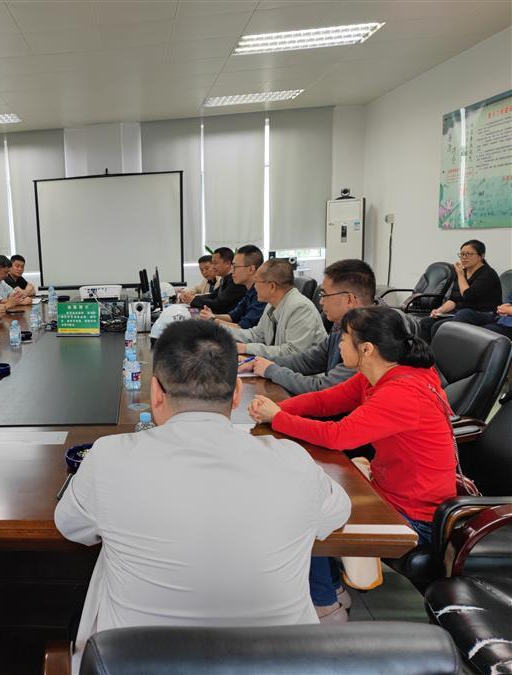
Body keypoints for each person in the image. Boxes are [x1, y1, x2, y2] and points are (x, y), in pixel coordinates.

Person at [56, 319, 350, 668]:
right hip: (279, 665)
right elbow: (337, 512)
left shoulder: (109, 458)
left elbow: (71, 526)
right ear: (237, 392)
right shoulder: (292, 461)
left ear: (155, 392)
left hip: (133, 664)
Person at [249, 305, 457, 620]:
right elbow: (325, 401)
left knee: (306, 512)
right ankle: (332, 589)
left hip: (415, 515)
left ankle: (326, 606)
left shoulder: (401, 392)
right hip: (391, 489)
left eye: (344, 339)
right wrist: (276, 410)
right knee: (311, 491)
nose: (340, 346)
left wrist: (277, 418)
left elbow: (338, 436)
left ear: (367, 349)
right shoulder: (381, 376)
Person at [242, 259, 376, 394]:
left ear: (349, 299)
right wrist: (260, 362)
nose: (321, 301)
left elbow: (325, 389)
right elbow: (308, 360)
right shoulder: (342, 326)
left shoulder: (371, 337)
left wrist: (271, 370)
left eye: (324, 295)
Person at [224, 259, 326, 358]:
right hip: (282, 366)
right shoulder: (272, 304)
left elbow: (292, 352)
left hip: (304, 369)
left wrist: (246, 348)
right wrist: (220, 330)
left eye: (257, 281)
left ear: (272, 286)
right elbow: (256, 335)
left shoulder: (300, 308)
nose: (255, 287)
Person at [419, 239, 503, 341]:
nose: (464, 257)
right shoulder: (463, 272)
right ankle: (423, 351)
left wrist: (460, 275)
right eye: (462, 254)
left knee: (445, 324)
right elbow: (453, 299)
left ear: (481, 256)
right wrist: (439, 311)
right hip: (462, 313)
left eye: (468, 254)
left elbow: (468, 295)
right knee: (426, 322)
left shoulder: (488, 273)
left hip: (484, 313)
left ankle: (444, 351)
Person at [199, 244, 265, 329]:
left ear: (251, 269)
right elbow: (232, 316)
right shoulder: (249, 290)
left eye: (235, 267)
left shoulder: (262, 294)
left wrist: (213, 319)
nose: (232, 270)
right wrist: (211, 315)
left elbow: (242, 328)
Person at [188, 248, 247, 313]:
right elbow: (213, 295)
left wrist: (194, 300)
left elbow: (219, 304)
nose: (213, 267)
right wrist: (193, 298)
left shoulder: (236, 281)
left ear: (227, 263)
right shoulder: (224, 279)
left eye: (215, 263)